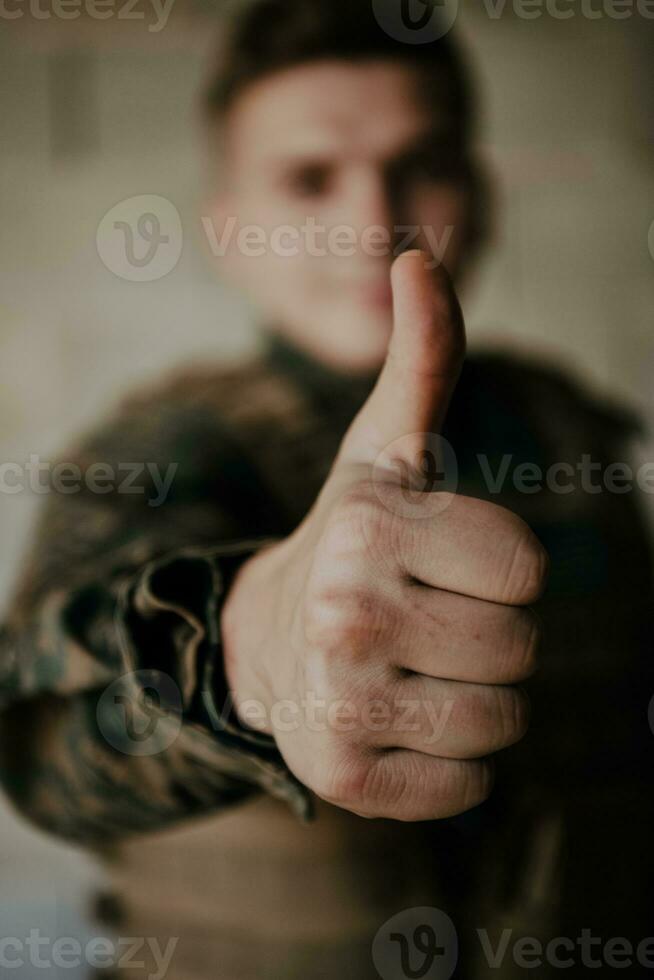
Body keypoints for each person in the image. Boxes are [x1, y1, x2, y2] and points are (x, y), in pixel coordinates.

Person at [1, 1, 652, 977]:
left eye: (421, 163)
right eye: (309, 178)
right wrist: (243, 649)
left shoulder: (565, 425)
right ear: (226, 227)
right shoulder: (161, 447)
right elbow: (38, 735)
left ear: (480, 193)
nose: (373, 221)